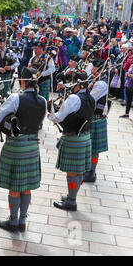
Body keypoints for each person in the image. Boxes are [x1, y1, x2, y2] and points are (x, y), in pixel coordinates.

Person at [0, 67, 46, 233]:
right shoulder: (43, 100)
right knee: (26, 186)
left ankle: (13, 222)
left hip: (16, 146)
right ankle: (22, 221)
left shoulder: (16, 98)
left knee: (14, 186)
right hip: (33, 146)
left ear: (23, 81)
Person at [49, 71, 95, 211]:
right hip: (85, 137)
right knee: (79, 172)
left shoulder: (74, 98)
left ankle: (71, 201)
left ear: (77, 84)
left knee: (72, 173)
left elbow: (58, 117)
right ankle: (72, 194)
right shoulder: (91, 98)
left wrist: (51, 114)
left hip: (73, 138)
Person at [85, 59, 109, 183]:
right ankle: (88, 170)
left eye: (94, 68)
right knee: (90, 147)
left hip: (96, 118)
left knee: (94, 148)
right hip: (92, 117)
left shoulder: (101, 84)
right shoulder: (95, 80)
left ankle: (91, 172)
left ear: (101, 70)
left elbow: (91, 99)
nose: (92, 69)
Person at [0, 36, 19, 101]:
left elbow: (17, 63)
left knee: (6, 92)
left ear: (5, 43)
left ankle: (5, 105)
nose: (0, 44)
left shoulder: (11, 52)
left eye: (2, 43)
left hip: (7, 75)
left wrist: (10, 67)